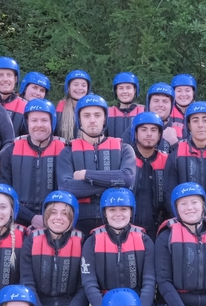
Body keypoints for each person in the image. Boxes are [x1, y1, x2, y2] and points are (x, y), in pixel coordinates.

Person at [56, 94, 137, 235]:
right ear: (79, 119)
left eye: (97, 115)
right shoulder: (67, 151)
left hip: (115, 221)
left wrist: (87, 175)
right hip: (78, 223)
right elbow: (66, 187)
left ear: (105, 118)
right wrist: (113, 183)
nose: (92, 120)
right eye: (86, 115)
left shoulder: (124, 148)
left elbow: (127, 179)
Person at [81, 189, 156, 306]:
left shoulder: (145, 240)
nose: (118, 214)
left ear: (131, 211)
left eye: (123, 209)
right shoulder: (92, 242)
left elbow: (149, 282)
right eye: (112, 209)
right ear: (104, 213)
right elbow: (89, 284)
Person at [0, 98, 66, 229]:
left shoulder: (64, 150)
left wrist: (48, 217)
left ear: (52, 122)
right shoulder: (12, 150)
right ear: (27, 122)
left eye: (44, 120)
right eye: (34, 120)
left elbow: (67, 191)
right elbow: (4, 192)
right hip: (18, 218)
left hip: (54, 220)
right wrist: (31, 218)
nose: (39, 125)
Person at [128, 111, 168, 238]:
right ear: (135, 133)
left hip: (158, 229)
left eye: (154, 130)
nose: (149, 134)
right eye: (144, 130)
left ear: (159, 134)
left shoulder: (167, 161)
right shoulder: (124, 159)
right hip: (128, 227)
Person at [138, 82, 182, 150]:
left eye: (165, 101)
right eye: (156, 101)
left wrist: (174, 142)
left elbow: (188, 159)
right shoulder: (135, 128)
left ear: (171, 106)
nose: (160, 105)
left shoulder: (183, 130)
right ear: (149, 103)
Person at [55, 69, 91, 140]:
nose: (80, 88)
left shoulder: (92, 108)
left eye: (83, 85)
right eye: (75, 84)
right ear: (68, 87)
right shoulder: (61, 107)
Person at [106, 71, 144, 140]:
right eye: (121, 88)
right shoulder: (107, 113)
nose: (125, 91)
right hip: (115, 150)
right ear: (116, 91)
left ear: (135, 90)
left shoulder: (144, 112)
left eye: (128, 88)